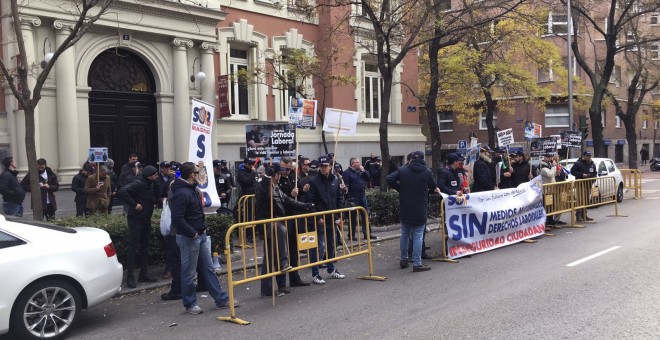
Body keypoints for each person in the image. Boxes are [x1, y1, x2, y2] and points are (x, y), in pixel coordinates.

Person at [170, 162, 237, 314]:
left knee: (209, 269)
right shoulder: (182, 193)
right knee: (189, 272)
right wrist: (193, 233)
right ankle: (190, 304)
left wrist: (201, 230)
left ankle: (221, 299)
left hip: (199, 235)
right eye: (197, 172)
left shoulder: (192, 190)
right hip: (190, 237)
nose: (201, 174)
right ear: (191, 175)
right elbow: (178, 219)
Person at [256, 163, 312, 297]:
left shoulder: (276, 188)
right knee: (278, 236)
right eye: (279, 174)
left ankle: (272, 286)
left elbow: (287, 200)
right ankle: (281, 266)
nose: (280, 177)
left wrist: (305, 206)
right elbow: (263, 191)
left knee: (271, 256)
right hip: (268, 224)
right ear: (276, 175)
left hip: (277, 221)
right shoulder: (264, 185)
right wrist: (267, 178)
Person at [387, 151, 439, 272]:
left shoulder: (403, 170)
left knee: (405, 233)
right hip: (420, 206)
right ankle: (417, 263)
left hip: (406, 205)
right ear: (422, 159)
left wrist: (401, 189)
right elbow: (433, 187)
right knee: (418, 235)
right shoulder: (427, 172)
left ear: (411, 159)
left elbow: (389, 179)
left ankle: (404, 259)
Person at [306, 155, 347, 285]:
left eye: (325, 166)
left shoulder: (335, 179)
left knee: (331, 244)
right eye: (321, 166)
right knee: (318, 246)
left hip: (331, 217)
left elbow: (339, 198)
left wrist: (339, 214)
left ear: (330, 166)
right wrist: (317, 216)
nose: (323, 168)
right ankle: (315, 273)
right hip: (319, 219)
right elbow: (310, 201)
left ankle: (331, 269)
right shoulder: (314, 181)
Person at [118, 165, 159, 288]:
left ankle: (144, 274)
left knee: (145, 246)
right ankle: (130, 276)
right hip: (136, 219)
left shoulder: (149, 183)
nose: (157, 176)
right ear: (149, 175)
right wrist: (134, 204)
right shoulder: (139, 182)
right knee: (133, 247)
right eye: (155, 174)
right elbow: (123, 191)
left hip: (146, 219)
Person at [278, 156, 311, 287]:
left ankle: (295, 277)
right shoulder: (277, 179)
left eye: (288, 169)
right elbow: (281, 199)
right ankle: (281, 282)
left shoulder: (293, 177)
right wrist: (291, 195)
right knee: (282, 251)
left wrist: (302, 191)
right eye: (283, 169)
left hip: (294, 216)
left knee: (294, 249)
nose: (286, 171)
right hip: (283, 217)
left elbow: (297, 197)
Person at [343, 157, 375, 240]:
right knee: (352, 217)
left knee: (365, 214)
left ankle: (367, 234)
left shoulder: (360, 172)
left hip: (362, 196)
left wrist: (363, 171)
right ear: (352, 164)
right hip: (353, 197)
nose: (359, 163)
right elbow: (345, 186)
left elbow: (368, 178)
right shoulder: (347, 173)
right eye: (357, 162)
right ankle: (351, 235)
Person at [570, 151, 597, 221]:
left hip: (588, 184)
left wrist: (593, 179)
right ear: (584, 156)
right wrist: (582, 175)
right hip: (580, 184)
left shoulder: (592, 164)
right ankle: (578, 215)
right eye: (588, 156)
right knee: (580, 199)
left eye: (590, 156)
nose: (589, 157)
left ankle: (584, 214)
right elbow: (572, 171)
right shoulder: (578, 163)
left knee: (586, 199)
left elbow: (595, 173)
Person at [539, 153, 559, 227]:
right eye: (548, 157)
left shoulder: (549, 165)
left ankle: (551, 221)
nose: (550, 159)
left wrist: (557, 169)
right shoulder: (542, 166)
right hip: (546, 190)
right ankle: (547, 222)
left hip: (551, 189)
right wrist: (554, 167)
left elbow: (554, 175)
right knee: (547, 206)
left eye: (551, 157)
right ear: (544, 157)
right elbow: (550, 175)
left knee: (551, 206)